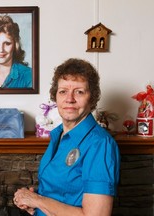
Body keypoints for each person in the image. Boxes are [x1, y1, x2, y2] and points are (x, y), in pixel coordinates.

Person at [13, 58, 120, 216]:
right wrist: (31, 202)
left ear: (92, 98)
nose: (69, 99)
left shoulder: (100, 144)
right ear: (55, 96)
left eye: (79, 91)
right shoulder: (58, 134)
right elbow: (60, 192)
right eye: (63, 91)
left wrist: (36, 200)